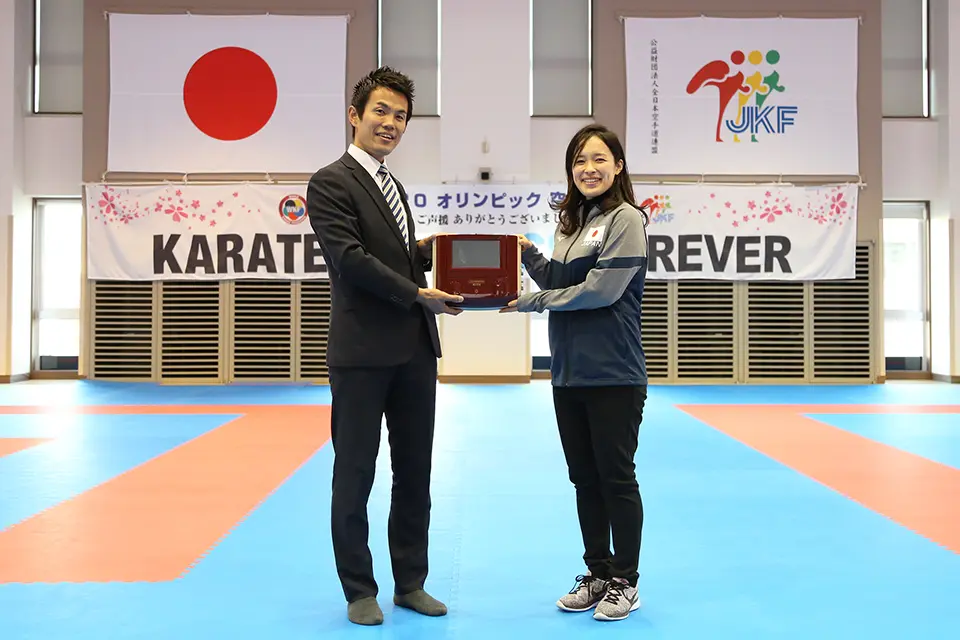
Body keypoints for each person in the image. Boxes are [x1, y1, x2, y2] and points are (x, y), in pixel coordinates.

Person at [306, 66, 464, 626]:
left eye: (400, 116)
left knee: (415, 471)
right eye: (381, 111)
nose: (391, 123)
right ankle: (358, 589)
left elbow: (393, 257)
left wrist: (444, 254)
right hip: (362, 353)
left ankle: (411, 581)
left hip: (415, 351)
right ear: (355, 115)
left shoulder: (392, 185)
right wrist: (420, 291)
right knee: (355, 472)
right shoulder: (329, 182)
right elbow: (350, 260)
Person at [500, 124, 649, 622]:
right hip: (568, 375)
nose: (589, 168)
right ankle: (599, 572)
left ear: (618, 166)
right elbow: (563, 281)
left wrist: (535, 301)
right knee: (584, 479)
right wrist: (529, 255)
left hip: (615, 374)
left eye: (600, 159)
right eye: (580, 160)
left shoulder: (627, 219)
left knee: (616, 477)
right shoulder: (569, 223)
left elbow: (601, 291)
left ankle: (626, 581)